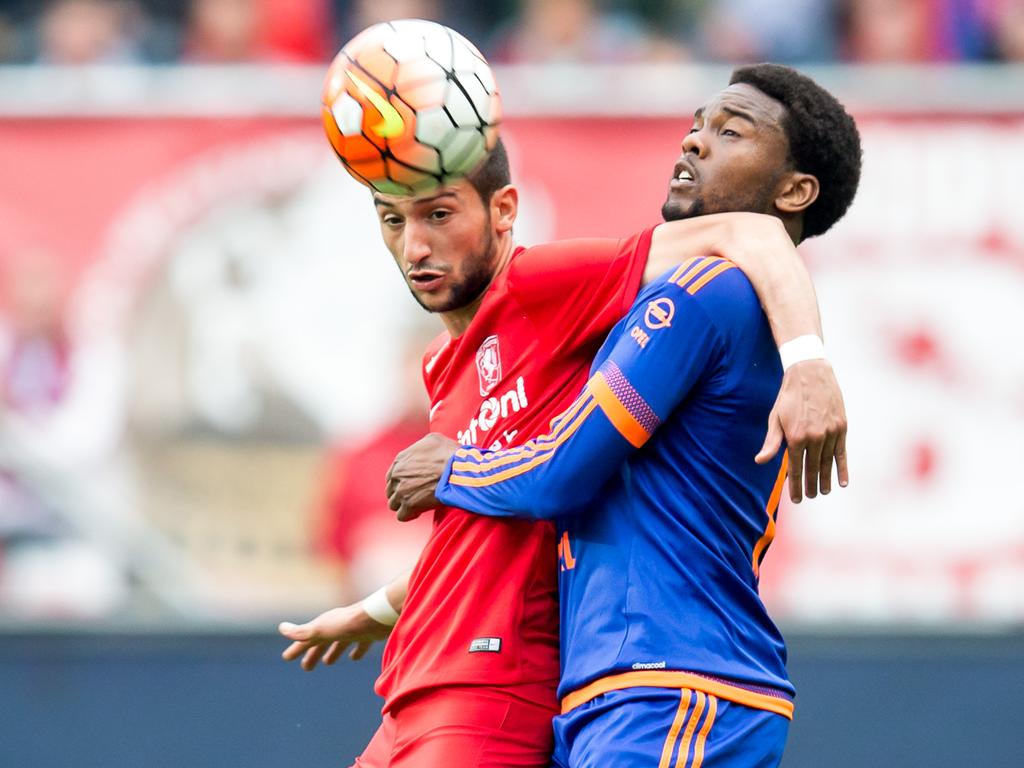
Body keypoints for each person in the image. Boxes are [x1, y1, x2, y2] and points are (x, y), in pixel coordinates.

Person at [279, 72, 849, 768]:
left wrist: (810, 360)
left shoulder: (701, 290)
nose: (695, 140)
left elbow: (557, 472)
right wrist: (385, 606)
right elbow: (531, 520)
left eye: (731, 131)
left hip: (673, 684)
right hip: (628, 691)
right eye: (697, 123)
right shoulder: (488, 354)